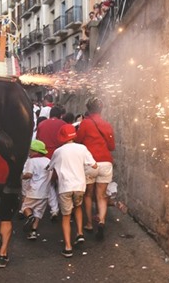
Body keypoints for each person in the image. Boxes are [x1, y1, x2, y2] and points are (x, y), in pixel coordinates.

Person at [47, 124, 97, 258]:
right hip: (80, 185)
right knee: (78, 207)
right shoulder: (82, 148)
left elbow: (50, 167)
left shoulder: (58, 151)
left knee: (66, 216)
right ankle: (80, 233)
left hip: (65, 187)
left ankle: (68, 247)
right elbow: (94, 164)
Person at [76, 97, 115, 241]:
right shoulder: (107, 125)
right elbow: (111, 146)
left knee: (88, 194)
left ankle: (89, 224)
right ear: (101, 108)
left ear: (88, 109)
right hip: (106, 163)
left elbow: (79, 141)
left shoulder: (85, 123)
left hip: (90, 163)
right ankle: (102, 221)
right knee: (101, 195)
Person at [21, 140, 52, 240]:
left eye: (30, 150)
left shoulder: (32, 161)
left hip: (33, 191)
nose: (29, 152)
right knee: (38, 212)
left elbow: (29, 174)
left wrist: (21, 176)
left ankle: (30, 216)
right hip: (45, 192)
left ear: (35, 151)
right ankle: (33, 232)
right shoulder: (48, 161)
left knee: (25, 207)